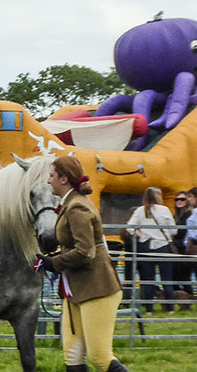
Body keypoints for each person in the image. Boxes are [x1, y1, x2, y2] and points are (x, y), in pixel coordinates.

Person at [37, 155, 127, 372]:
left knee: (100, 358)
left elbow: (85, 251)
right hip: (78, 288)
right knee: (73, 356)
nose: (48, 181)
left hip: (97, 288)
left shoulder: (77, 207)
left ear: (64, 179)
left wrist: (55, 263)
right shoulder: (70, 203)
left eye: (52, 176)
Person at [125, 187, 177, 313]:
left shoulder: (140, 210)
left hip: (146, 246)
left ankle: (149, 309)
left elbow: (129, 227)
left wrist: (142, 235)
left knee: (147, 279)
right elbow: (174, 230)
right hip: (163, 246)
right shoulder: (164, 210)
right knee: (167, 278)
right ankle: (170, 309)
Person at [169, 190, 195, 298]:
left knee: (184, 277)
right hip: (175, 250)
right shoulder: (176, 216)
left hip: (185, 250)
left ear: (187, 201)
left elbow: (184, 233)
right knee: (175, 276)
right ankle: (180, 298)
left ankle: (190, 298)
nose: (179, 201)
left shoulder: (189, 215)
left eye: (182, 199)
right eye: (177, 199)